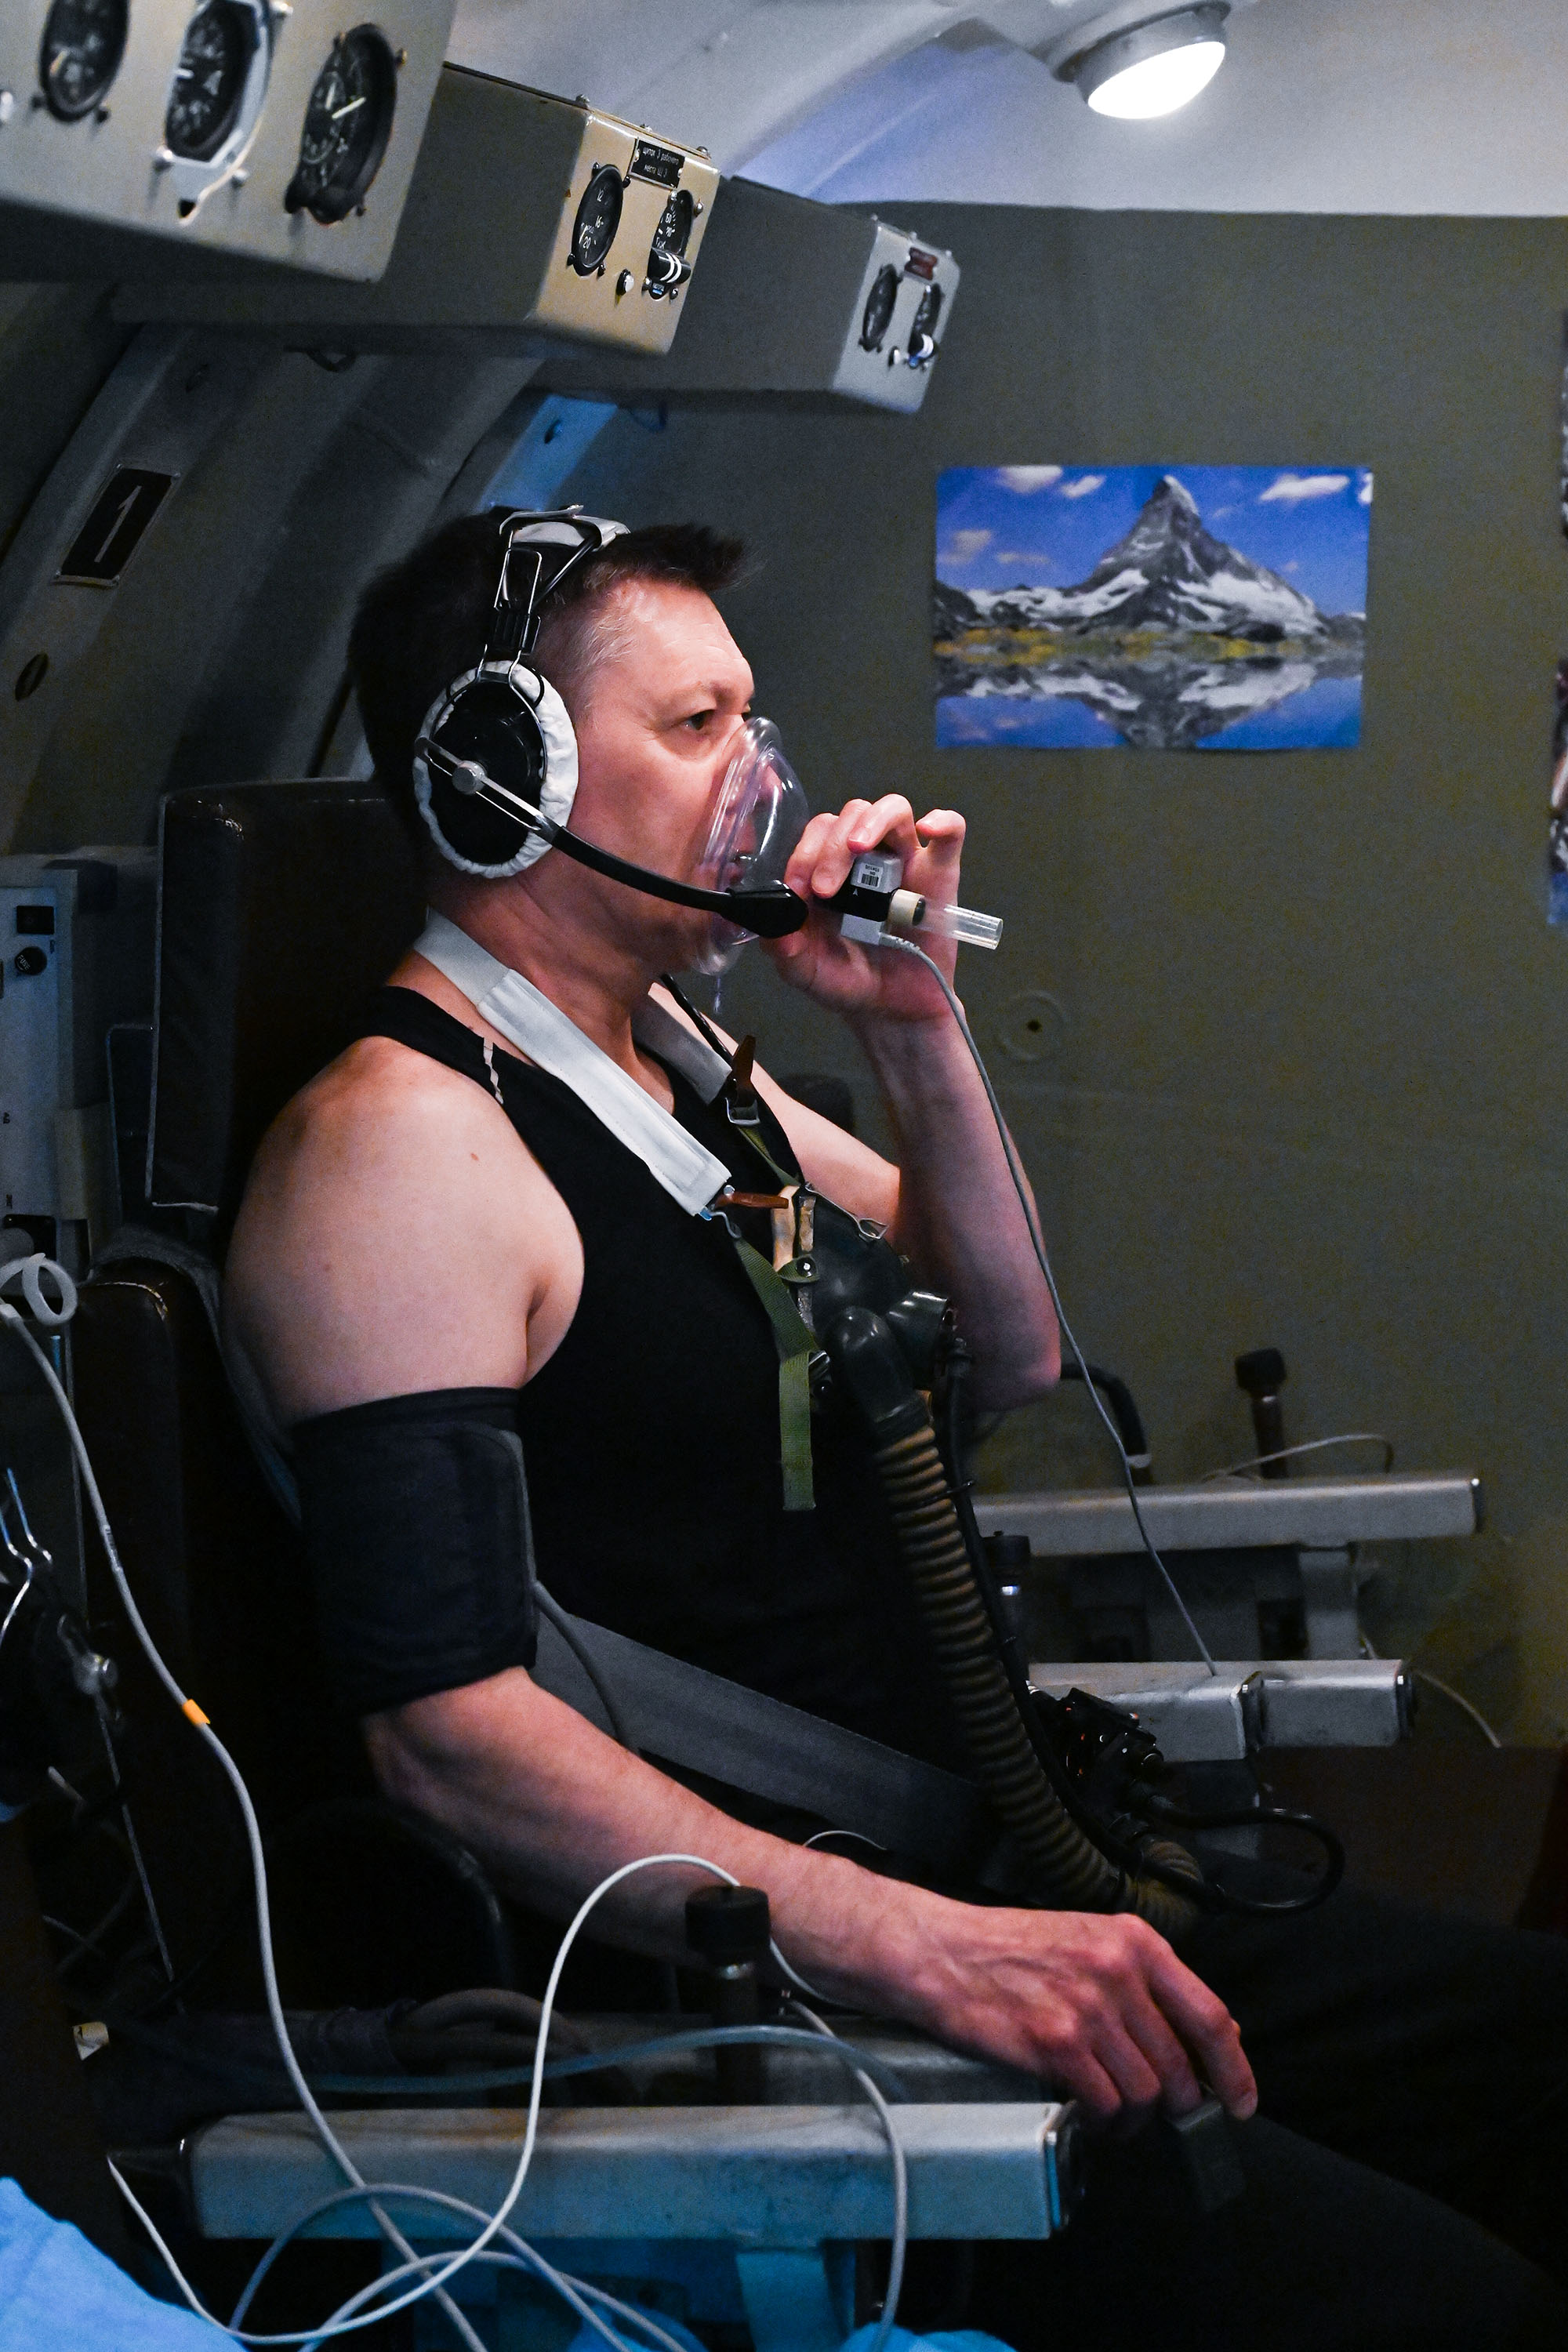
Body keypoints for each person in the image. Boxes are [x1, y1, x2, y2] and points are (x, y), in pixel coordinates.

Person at [223, 514, 1568, 2349]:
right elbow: (447, 1739)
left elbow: (1005, 1345)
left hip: (993, 1878)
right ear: (499, 773)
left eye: (748, 718)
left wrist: (917, 1028)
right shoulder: (402, 1156)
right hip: (781, 2008)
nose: (757, 775)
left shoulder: (667, 1064)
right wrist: (931, 1947)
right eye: (695, 726)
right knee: (1467, 2318)